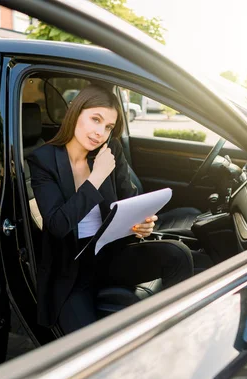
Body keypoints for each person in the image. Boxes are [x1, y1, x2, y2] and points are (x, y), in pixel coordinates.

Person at [27, 85, 194, 334]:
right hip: (72, 271)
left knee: (178, 254)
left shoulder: (110, 150)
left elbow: (129, 199)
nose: (100, 133)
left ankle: (174, 331)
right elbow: (57, 225)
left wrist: (142, 224)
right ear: (75, 112)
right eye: (95, 119)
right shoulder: (43, 160)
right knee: (88, 349)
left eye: (108, 127)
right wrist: (96, 178)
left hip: (110, 255)